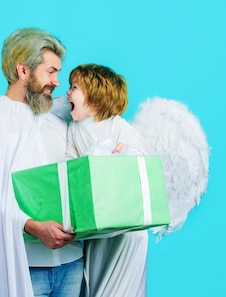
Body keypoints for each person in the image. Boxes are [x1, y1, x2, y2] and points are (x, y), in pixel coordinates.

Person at [0, 27, 84, 297]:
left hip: (72, 262)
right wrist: (33, 226)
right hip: (25, 268)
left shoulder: (58, 118)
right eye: (51, 72)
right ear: (23, 70)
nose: (57, 81)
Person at [65, 64, 148, 297]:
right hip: (97, 231)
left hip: (126, 231)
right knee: (95, 287)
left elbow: (141, 163)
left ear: (95, 97)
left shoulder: (117, 125)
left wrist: (126, 152)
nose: (68, 93)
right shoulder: (74, 129)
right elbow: (69, 168)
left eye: (74, 88)